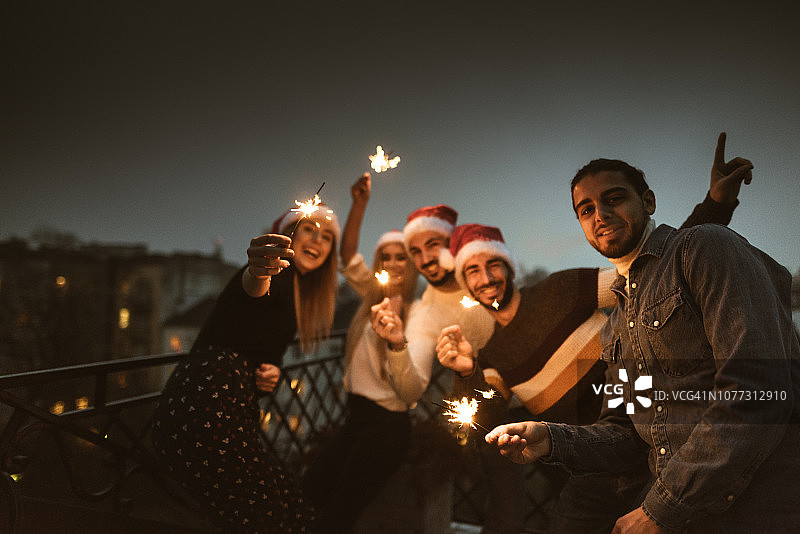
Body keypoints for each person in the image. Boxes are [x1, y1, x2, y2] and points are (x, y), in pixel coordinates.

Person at [436, 132, 753, 533]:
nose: (485, 278)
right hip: (585, 465)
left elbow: (655, 271)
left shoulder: (560, 289)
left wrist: (716, 205)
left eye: (492, 265)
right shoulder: (494, 353)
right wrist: (466, 370)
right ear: (465, 284)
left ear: (508, 267)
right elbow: (485, 415)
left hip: (648, 442)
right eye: (472, 271)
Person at [151, 201, 341, 533]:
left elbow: (257, 343)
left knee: (294, 515)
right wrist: (258, 269)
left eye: (326, 237)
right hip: (204, 411)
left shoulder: (298, 291)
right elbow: (253, 289)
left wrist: (270, 373)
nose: (317, 240)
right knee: (266, 520)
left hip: (229, 413)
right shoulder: (277, 276)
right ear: (289, 235)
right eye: (309, 229)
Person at [369, 204, 522, 534]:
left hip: (548, 395)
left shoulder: (485, 275)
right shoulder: (427, 312)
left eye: (433, 245)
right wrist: (396, 344)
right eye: (415, 251)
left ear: (452, 242)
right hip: (495, 414)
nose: (425, 259)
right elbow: (410, 392)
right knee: (506, 506)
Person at [301, 173, 420, 533]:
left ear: (411, 264)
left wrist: (396, 339)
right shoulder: (372, 293)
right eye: (386, 257)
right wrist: (359, 204)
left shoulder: (418, 313)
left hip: (387, 426)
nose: (393, 263)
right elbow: (348, 255)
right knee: (307, 494)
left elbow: (412, 389)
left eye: (401, 257)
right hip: (356, 417)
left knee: (339, 515)